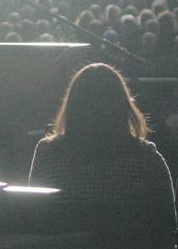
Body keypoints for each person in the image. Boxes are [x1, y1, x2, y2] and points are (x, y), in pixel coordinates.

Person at [29, 63, 177, 247]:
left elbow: (33, 220)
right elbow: (167, 231)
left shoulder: (47, 154)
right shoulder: (146, 160)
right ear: (122, 106)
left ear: (73, 105)